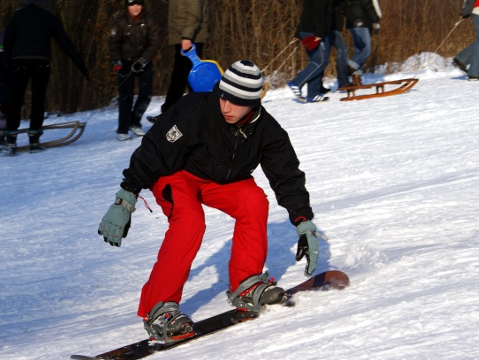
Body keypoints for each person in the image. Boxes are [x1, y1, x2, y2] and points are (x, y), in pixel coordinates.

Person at [98, 60, 321, 343]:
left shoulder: (266, 130)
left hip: (221, 181)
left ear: (252, 103)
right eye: (224, 96)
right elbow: (154, 149)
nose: (226, 106)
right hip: (177, 174)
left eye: (236, 102)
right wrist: (126, 196)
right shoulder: (195, 110)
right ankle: (158, 307)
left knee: (254, 201)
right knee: (190, 220)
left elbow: (287, 175)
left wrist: (303, 220)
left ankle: (246, 283)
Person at [3, 0, 89, 155]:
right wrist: (80, 64)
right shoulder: (51, 18)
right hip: (41, 62)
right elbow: (65, 44)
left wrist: (7, 63)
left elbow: (7, 40)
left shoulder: (18, 15)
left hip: (19, 61)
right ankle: (34, 139)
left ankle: (11, 139)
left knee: (16, 99)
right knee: (38, 100)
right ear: (46, 2)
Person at [148, 0, 207, 122]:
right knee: (182, 77)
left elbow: (194, 13)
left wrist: (187, 36)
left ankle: (175, 113)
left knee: (186, 78)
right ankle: (180, 112)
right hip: (184, 38)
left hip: (189, 39)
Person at [109, 0, 159, 141]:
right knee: (126, 97)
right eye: (132, 5)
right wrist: (117, 62)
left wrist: (143, 60)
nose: (135, 8)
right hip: (125, 61)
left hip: (143, 61)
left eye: (138, 4)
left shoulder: (149, 21)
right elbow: (113, 44)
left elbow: (154, 42)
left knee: (146, 93)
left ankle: (135, 122)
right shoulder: (120, 22)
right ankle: (122, 129)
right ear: (127, 7)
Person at [287, 0, 334, 103]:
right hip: (313, 31)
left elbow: (307, 10)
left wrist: (299, 32)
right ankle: (297, 82)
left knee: (316, 61)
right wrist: (319, 32)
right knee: (321, 61)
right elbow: (319, 11)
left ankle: (313, 94)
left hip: (309, 29)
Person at [345, 0, 382, 85]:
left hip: (357, 20)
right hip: (360, 20)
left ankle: (356, 78)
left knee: (359, 51)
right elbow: (367, 4)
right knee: (366, 50)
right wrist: (375, 20)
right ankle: (347, 67)